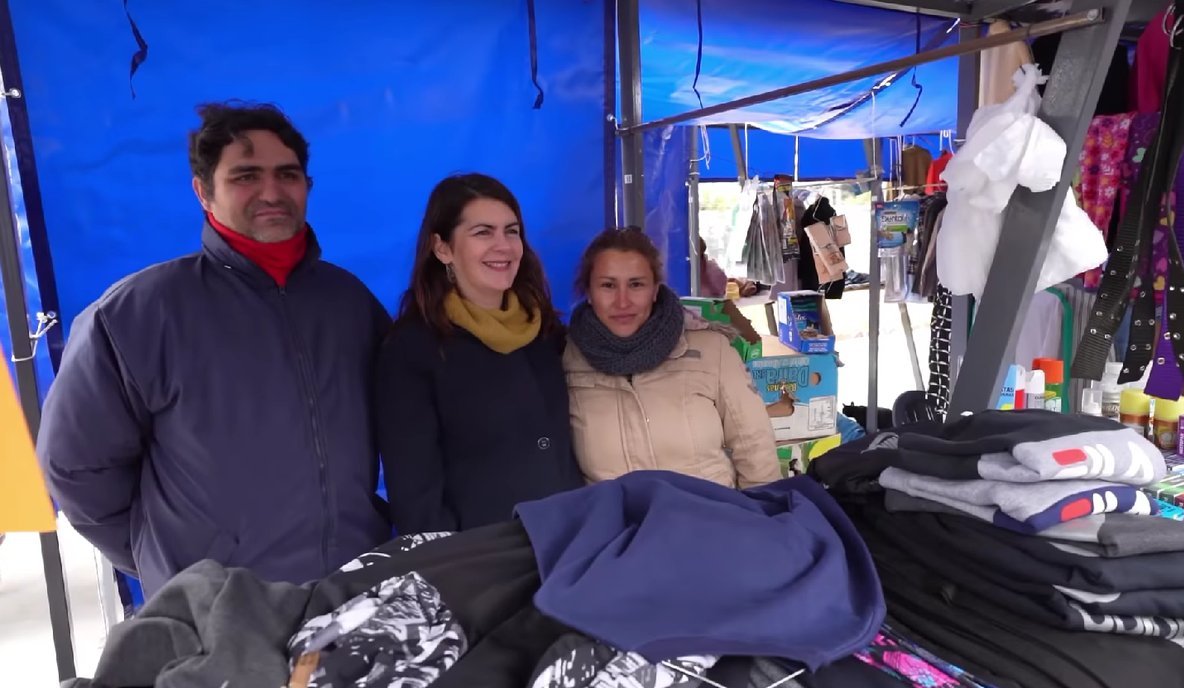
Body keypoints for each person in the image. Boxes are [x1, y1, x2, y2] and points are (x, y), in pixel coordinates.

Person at [36, 102, 391, 597]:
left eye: (287, 174)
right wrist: (168, 558)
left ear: (307, 186)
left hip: (353, 595)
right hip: (219, 616)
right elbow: (75, 467)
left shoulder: (349, 304)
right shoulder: (138, 314)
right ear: (204, 191)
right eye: (245, 176)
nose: (271, 192)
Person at [375, 173, 583, 536]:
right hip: (485, 561)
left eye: (512, 231)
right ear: (443, 249)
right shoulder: (412, 350)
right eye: (483, 232)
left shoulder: (546, 330)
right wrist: (457, 572)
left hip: (568, 545)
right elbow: (415, 494)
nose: (503, 245)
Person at [564, 228, 780, 488]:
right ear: (589, 292)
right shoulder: (566, 360)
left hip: (711, 522)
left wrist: (758, 518)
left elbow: (755, 448)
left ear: (655, 290)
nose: (623, 302)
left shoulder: (711, 351)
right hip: (617, 527)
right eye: (608, 285)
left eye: (636, 284)